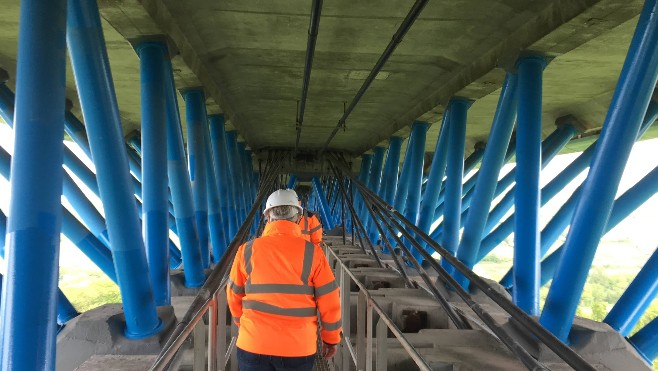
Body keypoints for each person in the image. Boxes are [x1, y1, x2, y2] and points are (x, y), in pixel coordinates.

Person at [227, 189, 342, 371]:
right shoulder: (313, 253)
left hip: (253, 343)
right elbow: (330, 298)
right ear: (298, 218)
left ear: (268, 218)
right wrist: (330, 338)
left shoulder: (246, 250)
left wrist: (245, 324)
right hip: (298, 348)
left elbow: (233, 294)